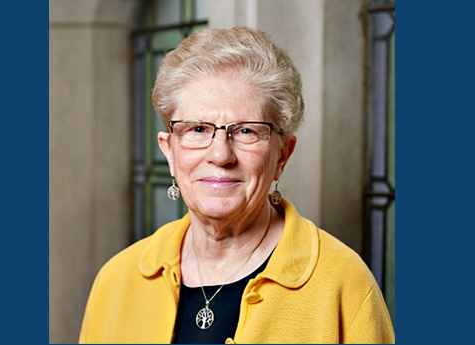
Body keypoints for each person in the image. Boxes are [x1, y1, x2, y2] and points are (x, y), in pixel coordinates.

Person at [79, 27, 395, 344]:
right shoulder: (116, 281)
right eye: (199, 129)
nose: (220, 154)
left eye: (246, 131)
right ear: (169, 151)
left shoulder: (345, 285)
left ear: (282, 155)